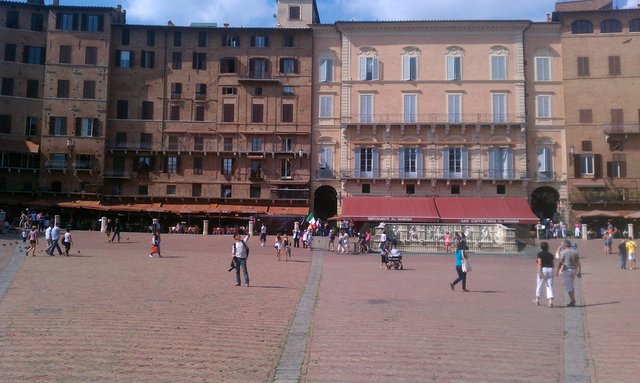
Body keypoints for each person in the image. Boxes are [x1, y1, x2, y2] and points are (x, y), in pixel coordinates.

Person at [556, 240, 581, 307]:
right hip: (574, 269)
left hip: (567, 270)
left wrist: (557, 271)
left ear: (565, 245)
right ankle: (572, 299)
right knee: (571, 285)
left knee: (568, 287)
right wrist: (579, 271)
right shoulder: (575, 252)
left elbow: (560, 262)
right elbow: (578, 262)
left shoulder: (564, 252)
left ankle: (572, 301)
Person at [534, 242, 555, 308]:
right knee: (549, 285)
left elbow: (539, 263)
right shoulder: (550, 255)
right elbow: (553, 264)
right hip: (550, 269)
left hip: (543, 269)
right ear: (547, 247)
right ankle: (550, 301)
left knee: (539, 284)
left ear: (541, 247)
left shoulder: (540, 254)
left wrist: (539, 271)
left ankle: (537, 299)